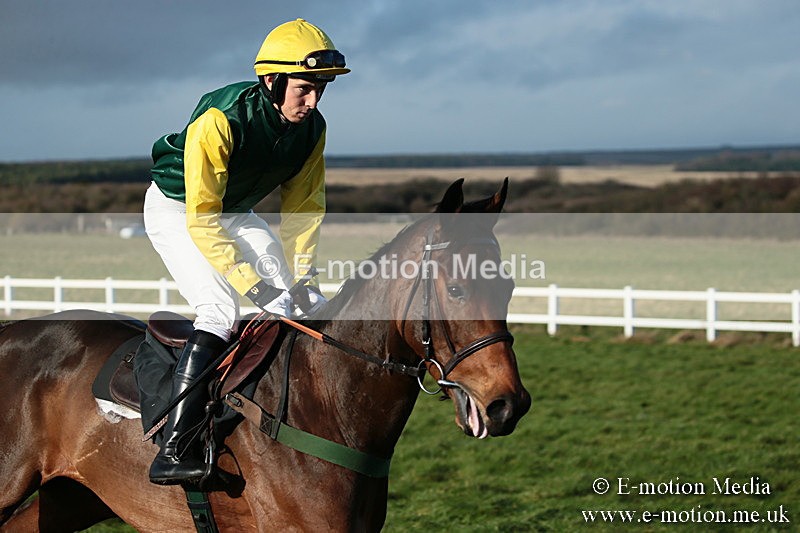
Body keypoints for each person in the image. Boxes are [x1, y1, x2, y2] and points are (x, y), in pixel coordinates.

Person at [142, 18, 349, 485]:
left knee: (305, 305)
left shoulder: (312, 128)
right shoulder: (221, 119)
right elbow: (202, 218)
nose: (313, 100)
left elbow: (303, 210)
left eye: (320, 89)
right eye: (303, 89)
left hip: (233, 209)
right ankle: (173, 447)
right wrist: (251, 285)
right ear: (272, 81)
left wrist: (304, 278)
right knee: (219, 309)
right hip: (180, 209)